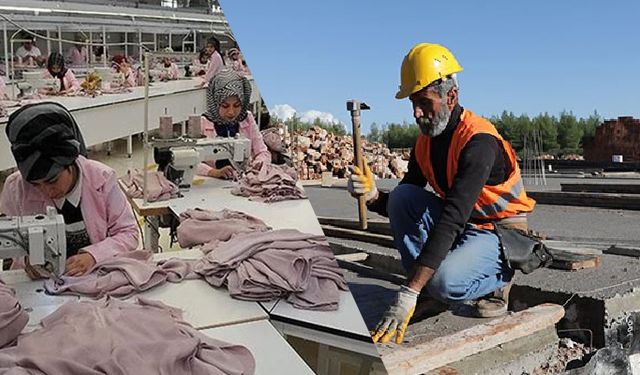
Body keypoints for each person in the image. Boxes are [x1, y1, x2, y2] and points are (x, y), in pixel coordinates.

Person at [349, 43, 536, 344]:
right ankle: (429, 289)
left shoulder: (479, 142)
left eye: (424, 102)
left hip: (501, 233)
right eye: (412, 103)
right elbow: (404, 203)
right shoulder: (425, 142)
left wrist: (407, 292)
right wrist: (373, 197)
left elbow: (452, 218)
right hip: (467, 226)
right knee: (403, 197)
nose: (416, 113)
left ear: (451, 96)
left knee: (445, 281)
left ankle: (498, 280)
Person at [0, 102, 139, 277]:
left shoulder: (102, 178)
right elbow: (11, 246)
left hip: (95, 275)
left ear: (70, 163)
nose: (46, 191)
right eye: (36, 184)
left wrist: (94, 255)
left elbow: (128, 233)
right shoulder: (16, 188)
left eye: (52, 180)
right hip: (40, 285)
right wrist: (27, 262)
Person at [197, 69, 270, 179]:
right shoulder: (203, 122)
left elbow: (263, 152)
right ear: (215, 103)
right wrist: (213, 172)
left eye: (237, 106)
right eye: (225, 106)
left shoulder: (247, 118)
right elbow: (190, 162)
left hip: (245, 178)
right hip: (211, 183)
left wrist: (258, 164)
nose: (231, 112)